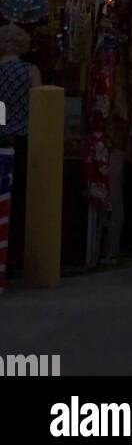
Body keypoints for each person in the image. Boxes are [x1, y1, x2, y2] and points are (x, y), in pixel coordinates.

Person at [0, 22, 40, 277]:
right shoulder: (30, 71)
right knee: (21, 196)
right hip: (24, 138)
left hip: (0, 137)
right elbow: (41, 104)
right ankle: (16, 253)